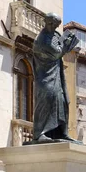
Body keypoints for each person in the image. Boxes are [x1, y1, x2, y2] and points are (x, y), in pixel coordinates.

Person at [31, 13, 79, 142]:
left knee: (63, 101)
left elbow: (59, 49)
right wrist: (68, 44)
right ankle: (39, 134)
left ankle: (61, 132)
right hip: (45, 77)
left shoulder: (55, 35)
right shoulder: (42, 40)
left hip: (57, 76)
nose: (57, 28)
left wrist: (66, 43)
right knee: (47, 100)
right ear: (49, 23)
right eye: (56, 25)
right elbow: (56, 53)